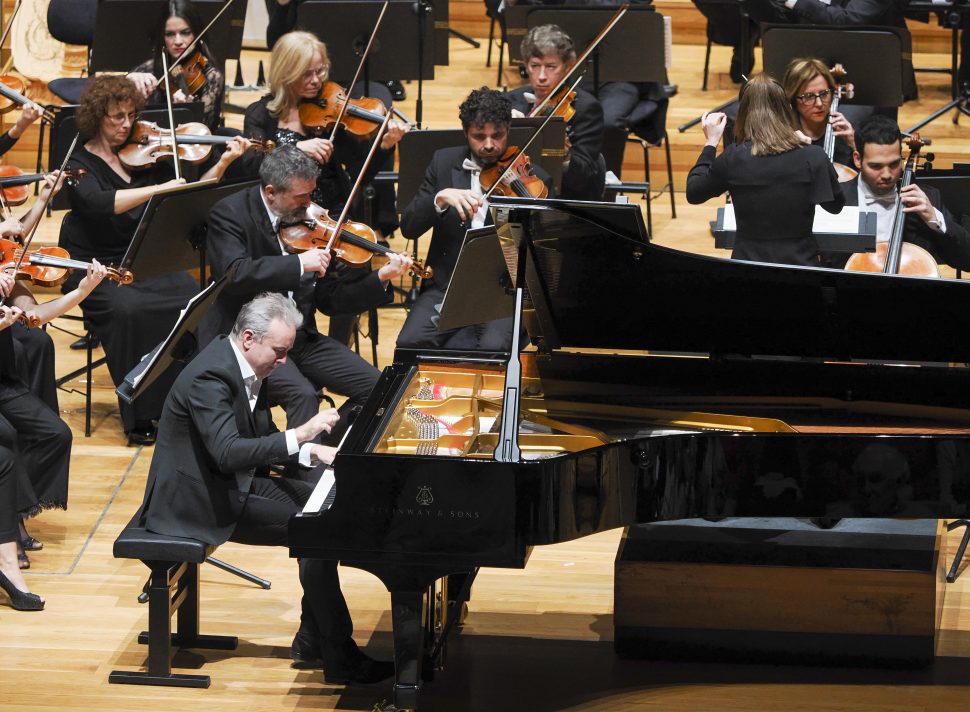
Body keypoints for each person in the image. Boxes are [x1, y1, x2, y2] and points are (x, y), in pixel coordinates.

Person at [138, 292, 394, 683]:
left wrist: (314, 454)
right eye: (279, 351)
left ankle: (314, 638)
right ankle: (336, 654)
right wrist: (301, 433)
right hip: (195, 501)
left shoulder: (250, 369)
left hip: (232, 483)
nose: (285, 361)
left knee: (327, 513)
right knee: (319, 531)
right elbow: (227, 453)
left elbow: (263, 439)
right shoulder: (212, 376)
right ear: (248, 339)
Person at [58, 74, 248, 444]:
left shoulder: (148, 156)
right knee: (130, 312)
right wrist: (157, 190)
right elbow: (99, 204)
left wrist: (223, 163)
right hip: (98, 268)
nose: (126, 124)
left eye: (131, 115)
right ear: (98, 116)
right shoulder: (79, 162)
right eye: (116, 117)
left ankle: (190, 401)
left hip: (145, 260)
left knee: (195, 302)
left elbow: (189, 196)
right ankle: (140, 411)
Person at [203, 145, 412, 447]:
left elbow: (331, 300)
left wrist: (380, 277)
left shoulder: (310, 224)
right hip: (256, 340)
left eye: (311, 195)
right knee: (302, 394)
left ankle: (324, 455)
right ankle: (302, 481)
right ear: (271, 192)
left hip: (302, 338)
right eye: (301, 198)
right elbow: (234, 273)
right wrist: (299, 263)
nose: (309, 205)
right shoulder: (230, 213)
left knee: (380, 388)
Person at [243, 30, 407, 345]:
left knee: (353, 269)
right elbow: (250, 167)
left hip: (329, 217)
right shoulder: (261, 115)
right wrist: (296, 150)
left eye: (321, 71)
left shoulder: (330, 114)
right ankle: (294, 351)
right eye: (307, 73)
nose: (317, 80)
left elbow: (360, 172)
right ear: (286, 72)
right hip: (281, 225)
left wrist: (383, 146)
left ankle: (337, 349)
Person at [397, 87, 553, 351]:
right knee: (409, 343)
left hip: (502, 290)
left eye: (498, 135)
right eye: (479, 136)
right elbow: (409, 227)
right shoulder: (443, 163)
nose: (490, 145)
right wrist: (439, 199)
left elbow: (545, 252)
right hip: (448, 285)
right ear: (465, 132)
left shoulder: (535, 179)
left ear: (508, 130)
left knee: (493, 348)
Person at [1, 250, 108, 578]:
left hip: (4, 382)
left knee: (56, 434)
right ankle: (7, 532)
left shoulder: (6, 270)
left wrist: (83, 291)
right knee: (7, 439)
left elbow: (37, 316)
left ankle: (11, 511)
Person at [686, 73, 844, 267]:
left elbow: (694, 192)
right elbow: (835, 206)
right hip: (801, 272)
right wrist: (815, 158)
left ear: (743, 112)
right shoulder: (813, 156)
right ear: (787, 109)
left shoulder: (733, 158)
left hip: (749, 273)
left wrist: (711, 143)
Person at [836, 115, 970, 270]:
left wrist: (935, 219)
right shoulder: (836, 200)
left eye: (894, 164)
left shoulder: (926, 199)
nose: (887, 175)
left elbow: (966, 261)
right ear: (858, 159)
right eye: (876, 166)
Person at [506, 24, 605, 201]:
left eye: (551, 67)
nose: (541, 76)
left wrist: (565, 155)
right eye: (535, 66)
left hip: (565, 199)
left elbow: (584, 176)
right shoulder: (511, 101)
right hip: (515, 195)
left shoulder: (586, 108)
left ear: (568, 68)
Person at [126, 0, 226, 132]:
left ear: (196, 33)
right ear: (162, 37)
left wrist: (185, 112)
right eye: (170, 34)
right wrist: (128, 80)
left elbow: (203, 133)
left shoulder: (211, 77)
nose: (178, 41)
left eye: (185, 33)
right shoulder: (147, 69)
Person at [781, 57, 855, 169]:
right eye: (809, 96)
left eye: (824, 93)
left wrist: (853, 145)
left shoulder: (844, 136)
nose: (819, 104)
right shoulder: (783, 136)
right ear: (793, 99)